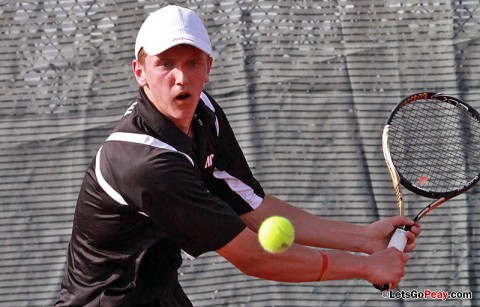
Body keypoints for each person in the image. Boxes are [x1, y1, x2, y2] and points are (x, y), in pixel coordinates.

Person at [55, 5, 420, 306]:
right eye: (165, 64)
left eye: (192, 62)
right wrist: (367, 268)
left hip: (158, 291)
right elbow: (253, 256)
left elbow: (255, 208)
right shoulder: (145, 164)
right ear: (141, 73)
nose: (181, 77)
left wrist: (363, 239)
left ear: (209, 68)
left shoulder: (205, 116)